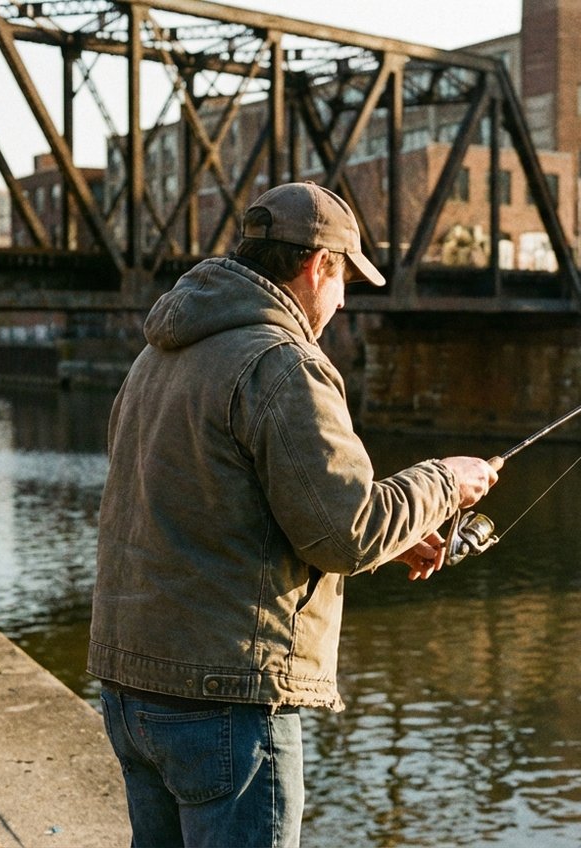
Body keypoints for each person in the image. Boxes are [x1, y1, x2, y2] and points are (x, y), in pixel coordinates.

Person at [88, 181, 498, 847]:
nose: (342, 303)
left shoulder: (160, 352)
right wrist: (447, 482)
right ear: (317, 267)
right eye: (344, 283)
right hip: (227, 698)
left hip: (133, 683)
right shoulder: (282, 364)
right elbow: (348, 530)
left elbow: (202, 500)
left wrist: (393, 540)